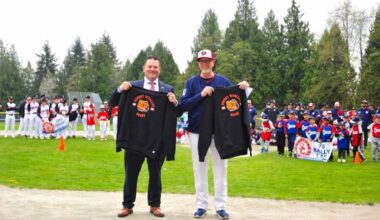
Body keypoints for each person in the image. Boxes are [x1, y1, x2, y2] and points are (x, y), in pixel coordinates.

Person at [180, 49, 249, 219]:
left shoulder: (223, 81)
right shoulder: (191, 82)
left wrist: (244, 89)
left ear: (213, 61)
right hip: (197, 131)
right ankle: (201, 205)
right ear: (198, 63)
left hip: (220, 132)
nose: (205, 63)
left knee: (221, 169)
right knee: (199, 168)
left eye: (208, 60)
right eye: (201, 61)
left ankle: (220, 206)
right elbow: (183, 106)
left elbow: (234, 101)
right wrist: (201, 95)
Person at [110, 56, 179, 218]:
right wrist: (120, 89)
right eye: (150, 66)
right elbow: (113, 102)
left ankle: (155, 205)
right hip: (135, 137)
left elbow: (176, 112)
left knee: (155, 174)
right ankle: (127, 206)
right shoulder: (131, 86)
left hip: (158, 139)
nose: (152, 69)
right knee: (131, 174)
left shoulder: (167, 89)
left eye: (155, 67)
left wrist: (174, 102)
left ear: (159, 69)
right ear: (144, 68)